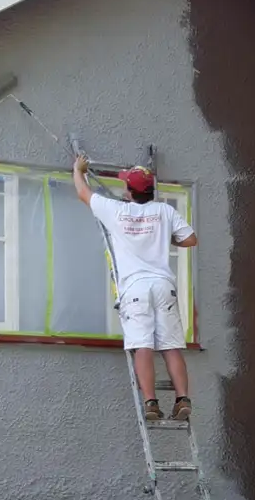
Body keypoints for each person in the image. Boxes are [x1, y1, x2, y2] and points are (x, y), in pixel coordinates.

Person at [72, 154, 197, 421]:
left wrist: (78, 170)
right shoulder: (164, 211)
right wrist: (163, 237)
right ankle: (182, 399)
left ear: (129, 192)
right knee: (170, 347)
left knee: (143, 346)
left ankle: (151, 403)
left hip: (136, 289)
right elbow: (190, 239)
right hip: (163, 286)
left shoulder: (118, 211)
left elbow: (83, 193)